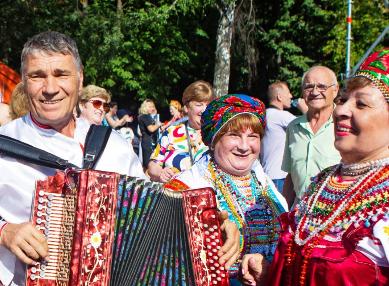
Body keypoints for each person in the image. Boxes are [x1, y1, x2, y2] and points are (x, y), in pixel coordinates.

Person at [0, 31, 144, 285]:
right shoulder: (5, 143)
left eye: (61, 74)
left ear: (79, 79)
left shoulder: (114, 146)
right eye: (37, 76)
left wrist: (214, 221)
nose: (50, 89)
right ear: (24, 82)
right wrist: (4, 231)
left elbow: (149, 213)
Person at [241, 49, 389, 285]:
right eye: (343, 101)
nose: (341, 110)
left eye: (361, 104)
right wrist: (270, 271)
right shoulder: (322, 183)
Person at [164, 94, 288, 282]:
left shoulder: (266, 185)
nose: (245, 146)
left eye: (253, 136)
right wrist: (207, 229)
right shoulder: (185, 188)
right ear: (213, 140)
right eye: (234, 135)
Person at [282, 66, 341, 207]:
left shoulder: (345, 124)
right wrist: (282, 213)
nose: (315, 92)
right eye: (309, 87)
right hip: (299, 213)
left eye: (321, 86)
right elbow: (291, 176)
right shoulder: (293, 127)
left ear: (335, 90)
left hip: (334, 214)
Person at [148, 80, 213, 182]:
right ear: (186, 108)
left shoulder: (218, 134)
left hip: (207, 195)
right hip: (175, 195)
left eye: (208, 105)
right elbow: (153, 165)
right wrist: (161, 173)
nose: (204, 110)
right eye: (199, 104)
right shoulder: (171, 132)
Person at [260, 81, 305, 192]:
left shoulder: (265, 114)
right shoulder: (281, 116)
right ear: (279, 97)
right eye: (288, 92)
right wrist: (304, 108)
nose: (291, 96)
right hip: (280, 177)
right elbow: (311, 126)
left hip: (266, 175)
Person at [138, 99, 165, 169]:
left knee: (150, 164)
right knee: (148, 165)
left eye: (153, 106)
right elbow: (151, 129)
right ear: (145, 107)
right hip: (148, 143)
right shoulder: (145, 116)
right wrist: (158, 125)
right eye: (149, 107)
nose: (152, 108)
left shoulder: (146, 117)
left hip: (148, 142)